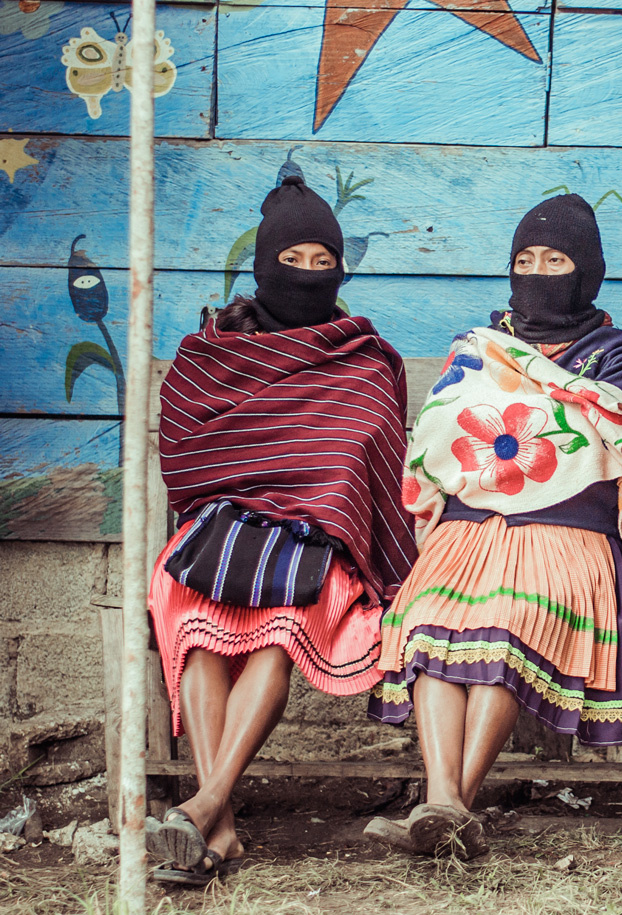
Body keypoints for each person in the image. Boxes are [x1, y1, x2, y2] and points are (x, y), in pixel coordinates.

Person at [364, 194, 622, 858]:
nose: (538, 270)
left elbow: (600, 445)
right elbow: (442, 430)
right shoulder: (478, 346)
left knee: (505, 624)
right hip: (471, 528)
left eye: (556, 259)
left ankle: (443, 807)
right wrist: (546, 409)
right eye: (526, 259)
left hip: (569, 533)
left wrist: (515, 414)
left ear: (588, 271)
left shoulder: (620, 354)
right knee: (431, 618)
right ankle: (446, 806)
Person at [146, 175, 416, 884]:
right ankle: (219, 823)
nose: (307, 273)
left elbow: (365, 457)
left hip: (313, 532)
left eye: (322, 261)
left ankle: (205, 804)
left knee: (277, 625)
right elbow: (186, 445)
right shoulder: (214, 351)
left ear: (340, 270)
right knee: (199, 624)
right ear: (265, 264)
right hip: (216, 526)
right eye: (292, 258)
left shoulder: (362, 358)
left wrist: (310, 494)